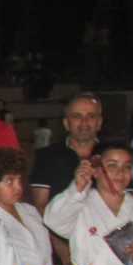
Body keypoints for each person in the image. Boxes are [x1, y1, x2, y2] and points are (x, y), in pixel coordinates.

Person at [29, 94, 101, 222]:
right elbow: (41, 208)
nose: (84, 122)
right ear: (66, 123)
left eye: (91, 116)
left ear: (99, 122)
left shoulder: (113, 157)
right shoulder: (46, 157)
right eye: (77, 116)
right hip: (61, 232)